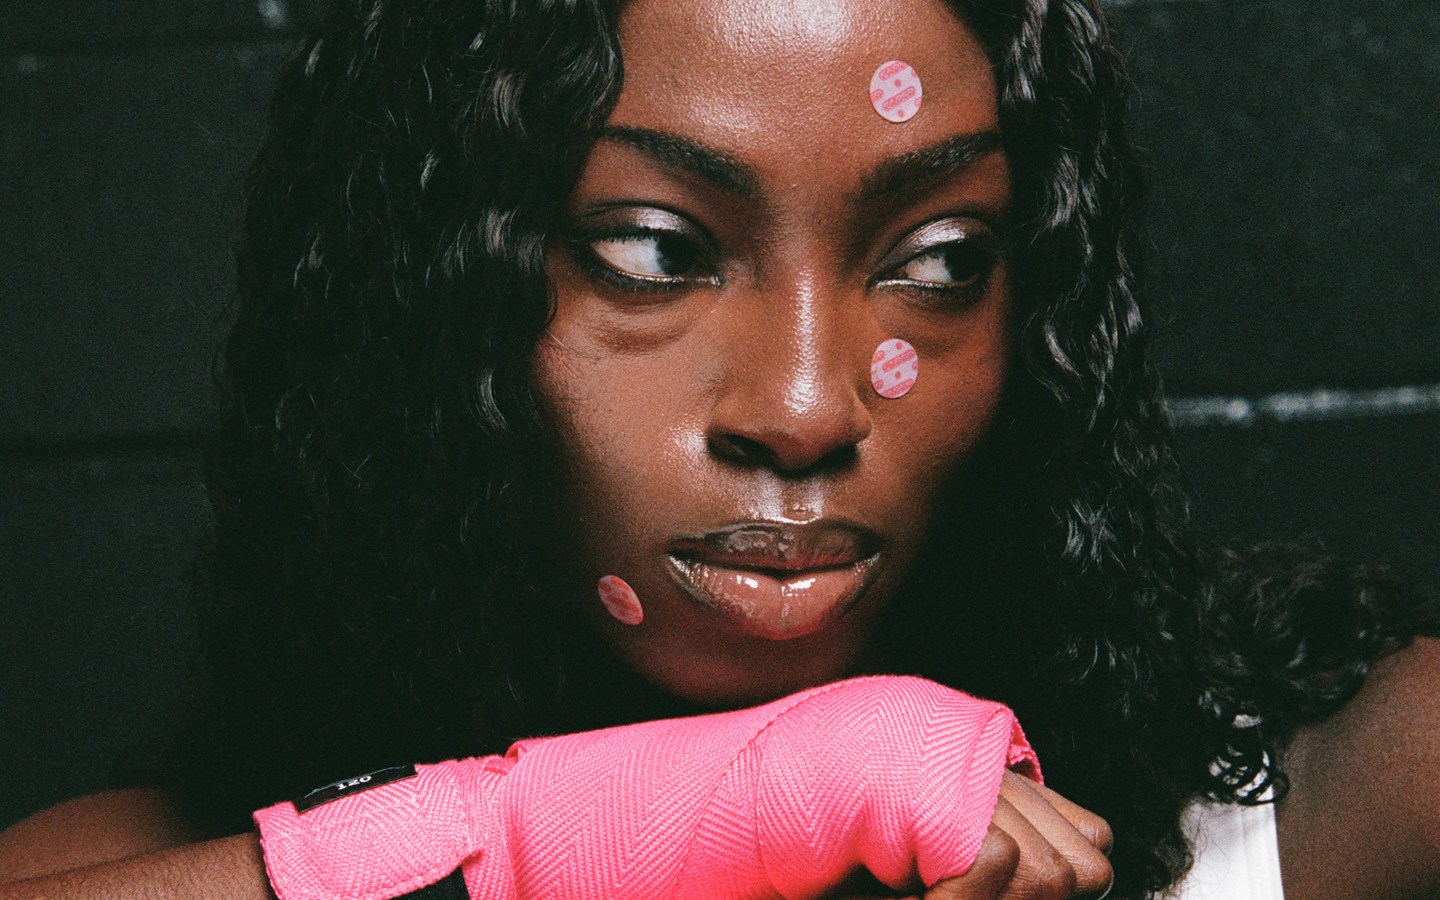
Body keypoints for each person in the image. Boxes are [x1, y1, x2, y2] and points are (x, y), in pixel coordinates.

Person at [2, 0, 1437, 896]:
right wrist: (566, 837)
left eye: (937, 260)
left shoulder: (1318, 810)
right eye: (654, 251)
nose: (807, 405)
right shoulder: (182, 861)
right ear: (431, 298)